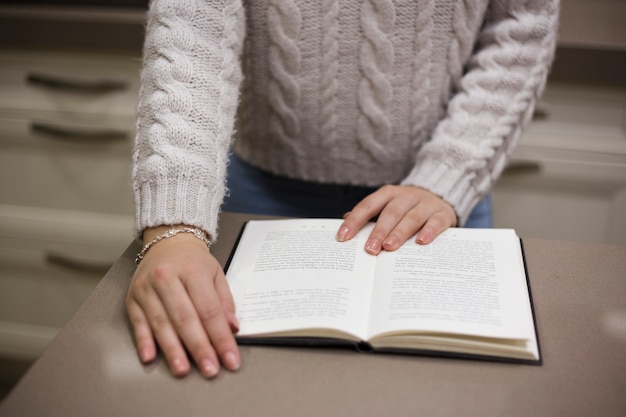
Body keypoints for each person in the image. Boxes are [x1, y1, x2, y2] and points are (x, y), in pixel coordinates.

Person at [128, 0, 559, 378]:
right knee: (247, 383)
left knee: (455, 386)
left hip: (435, 200)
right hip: (257, 192)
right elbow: (192, 31)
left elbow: (521, 29)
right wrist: (175, 226)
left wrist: (450, 175)